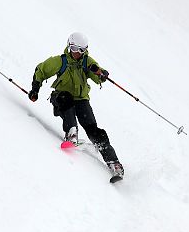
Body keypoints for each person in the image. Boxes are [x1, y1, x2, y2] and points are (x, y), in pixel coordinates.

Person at [28, 32, 124, 178]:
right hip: (61, 97)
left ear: (85, 50)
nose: (76, 53)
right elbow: (40, 70)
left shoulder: (87, 62)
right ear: (68, 46)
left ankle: (114, 162)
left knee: (93, 129)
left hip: (81, 99)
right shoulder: (60, 61)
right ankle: (71, 133)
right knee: (66, 99)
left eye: (80, 50)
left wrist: (101, 74)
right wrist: (35, 89)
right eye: (73, 48)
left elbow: (98, 77)